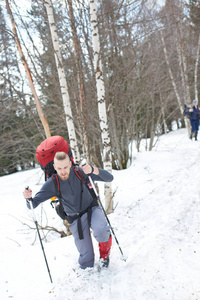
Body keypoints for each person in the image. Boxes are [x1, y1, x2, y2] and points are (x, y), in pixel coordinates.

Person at [23, 152, 113, 270]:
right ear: (55, 167)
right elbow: (32, 205)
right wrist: (28, 198)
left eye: (65, 167)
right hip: (75, 218)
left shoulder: (80, 172)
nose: (63, 171)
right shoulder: (52, 183)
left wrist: (93, 169)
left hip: (92, 209)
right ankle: (87, 273)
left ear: (70, 164)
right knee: (86, 258)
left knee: (101, 231)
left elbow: (109, 178)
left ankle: (104, 257)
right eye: (59, 168)